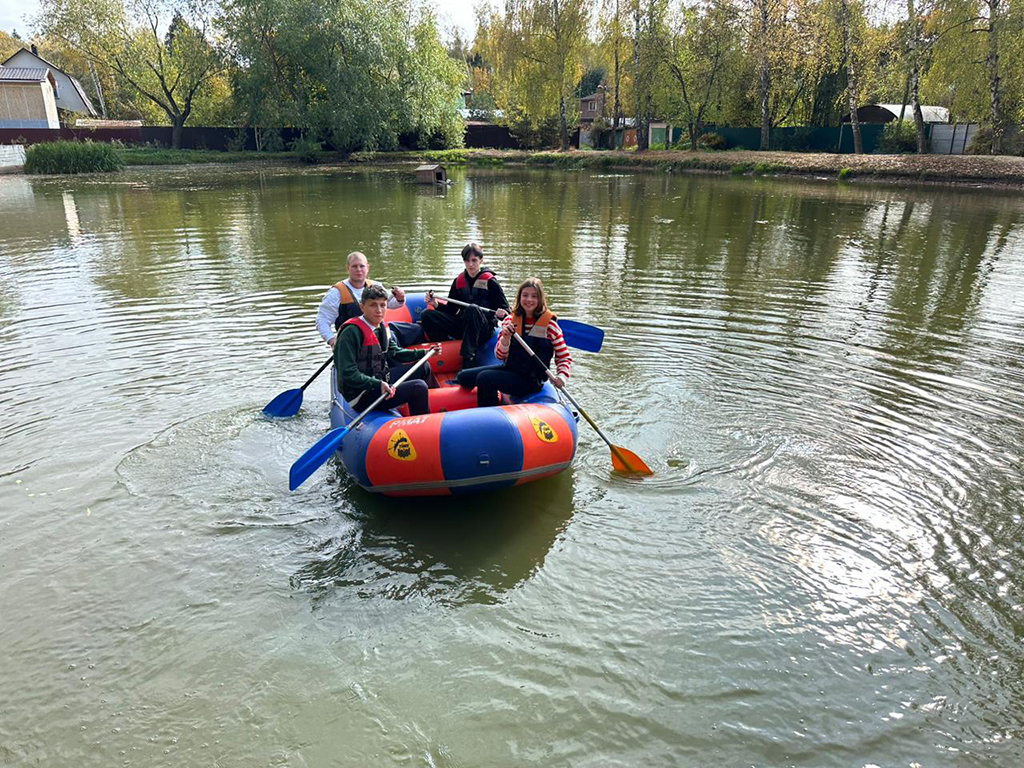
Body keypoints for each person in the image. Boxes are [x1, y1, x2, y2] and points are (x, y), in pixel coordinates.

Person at [456, 277, 572, 408]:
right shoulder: (510, 321)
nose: (529, 300)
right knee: (463, 377)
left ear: (540, 299)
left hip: (531, 380)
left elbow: (564, 357)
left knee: (485, 378)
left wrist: (562, 376)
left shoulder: (550, 326)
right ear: (519, 297)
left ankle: (489, 412)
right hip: (510, 369)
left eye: (534, 296)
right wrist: (505, 339)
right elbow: (500, 356)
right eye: (525, 295)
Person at [336, 284, 441, 416]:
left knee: (423, 367)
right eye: (373, 305)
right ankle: (422, 425)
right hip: (362, 394)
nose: (379, 310)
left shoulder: (381, 326)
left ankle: (438, 406)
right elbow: (347, 374)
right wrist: (377, 384)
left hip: (380, 379)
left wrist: (425, 353)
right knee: (418, 387)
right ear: (362, 307)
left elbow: (395, 353)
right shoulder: (351, 333)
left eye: (382, 305)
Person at [422, 242, 510, 368]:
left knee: (472, 309)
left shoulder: (491, 282)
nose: (470, 264)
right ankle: (445, 349)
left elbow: (507, 311)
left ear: (481, 260)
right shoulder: (458, 281)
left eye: (474, 260)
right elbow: (452, 309)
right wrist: (435, 304)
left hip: (483, 330)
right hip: (463, 326)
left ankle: (468, 358)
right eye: (467, 260)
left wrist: (502, 313)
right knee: (427, 315)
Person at [316, 251, 424, 349]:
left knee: (415, 330)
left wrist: (400, 299)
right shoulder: (336, 293)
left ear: (367, 267)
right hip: (354, 340)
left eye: (362, 266)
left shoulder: (376, 285)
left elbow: (391, 304)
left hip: (378, 333)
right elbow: (322, 320)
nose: (359, 270)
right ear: (347, 268)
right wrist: (333, 341)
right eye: (354, 266)